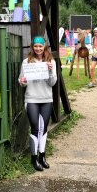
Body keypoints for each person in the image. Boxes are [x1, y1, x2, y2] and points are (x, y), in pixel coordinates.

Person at [19, 36, 57, 171]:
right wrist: (22, 82)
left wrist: (51, 70)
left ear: (44, 47)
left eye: (40, 46)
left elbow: (52, 83)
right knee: (35, 128)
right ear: (32, 47)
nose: (38, 49)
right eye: (36, 46)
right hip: (32, 99)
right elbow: (22, 81)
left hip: (46, 99)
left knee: (44, 128)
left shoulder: (50, 61)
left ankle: (42, 156)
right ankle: (34, 159)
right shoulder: (26, 62)